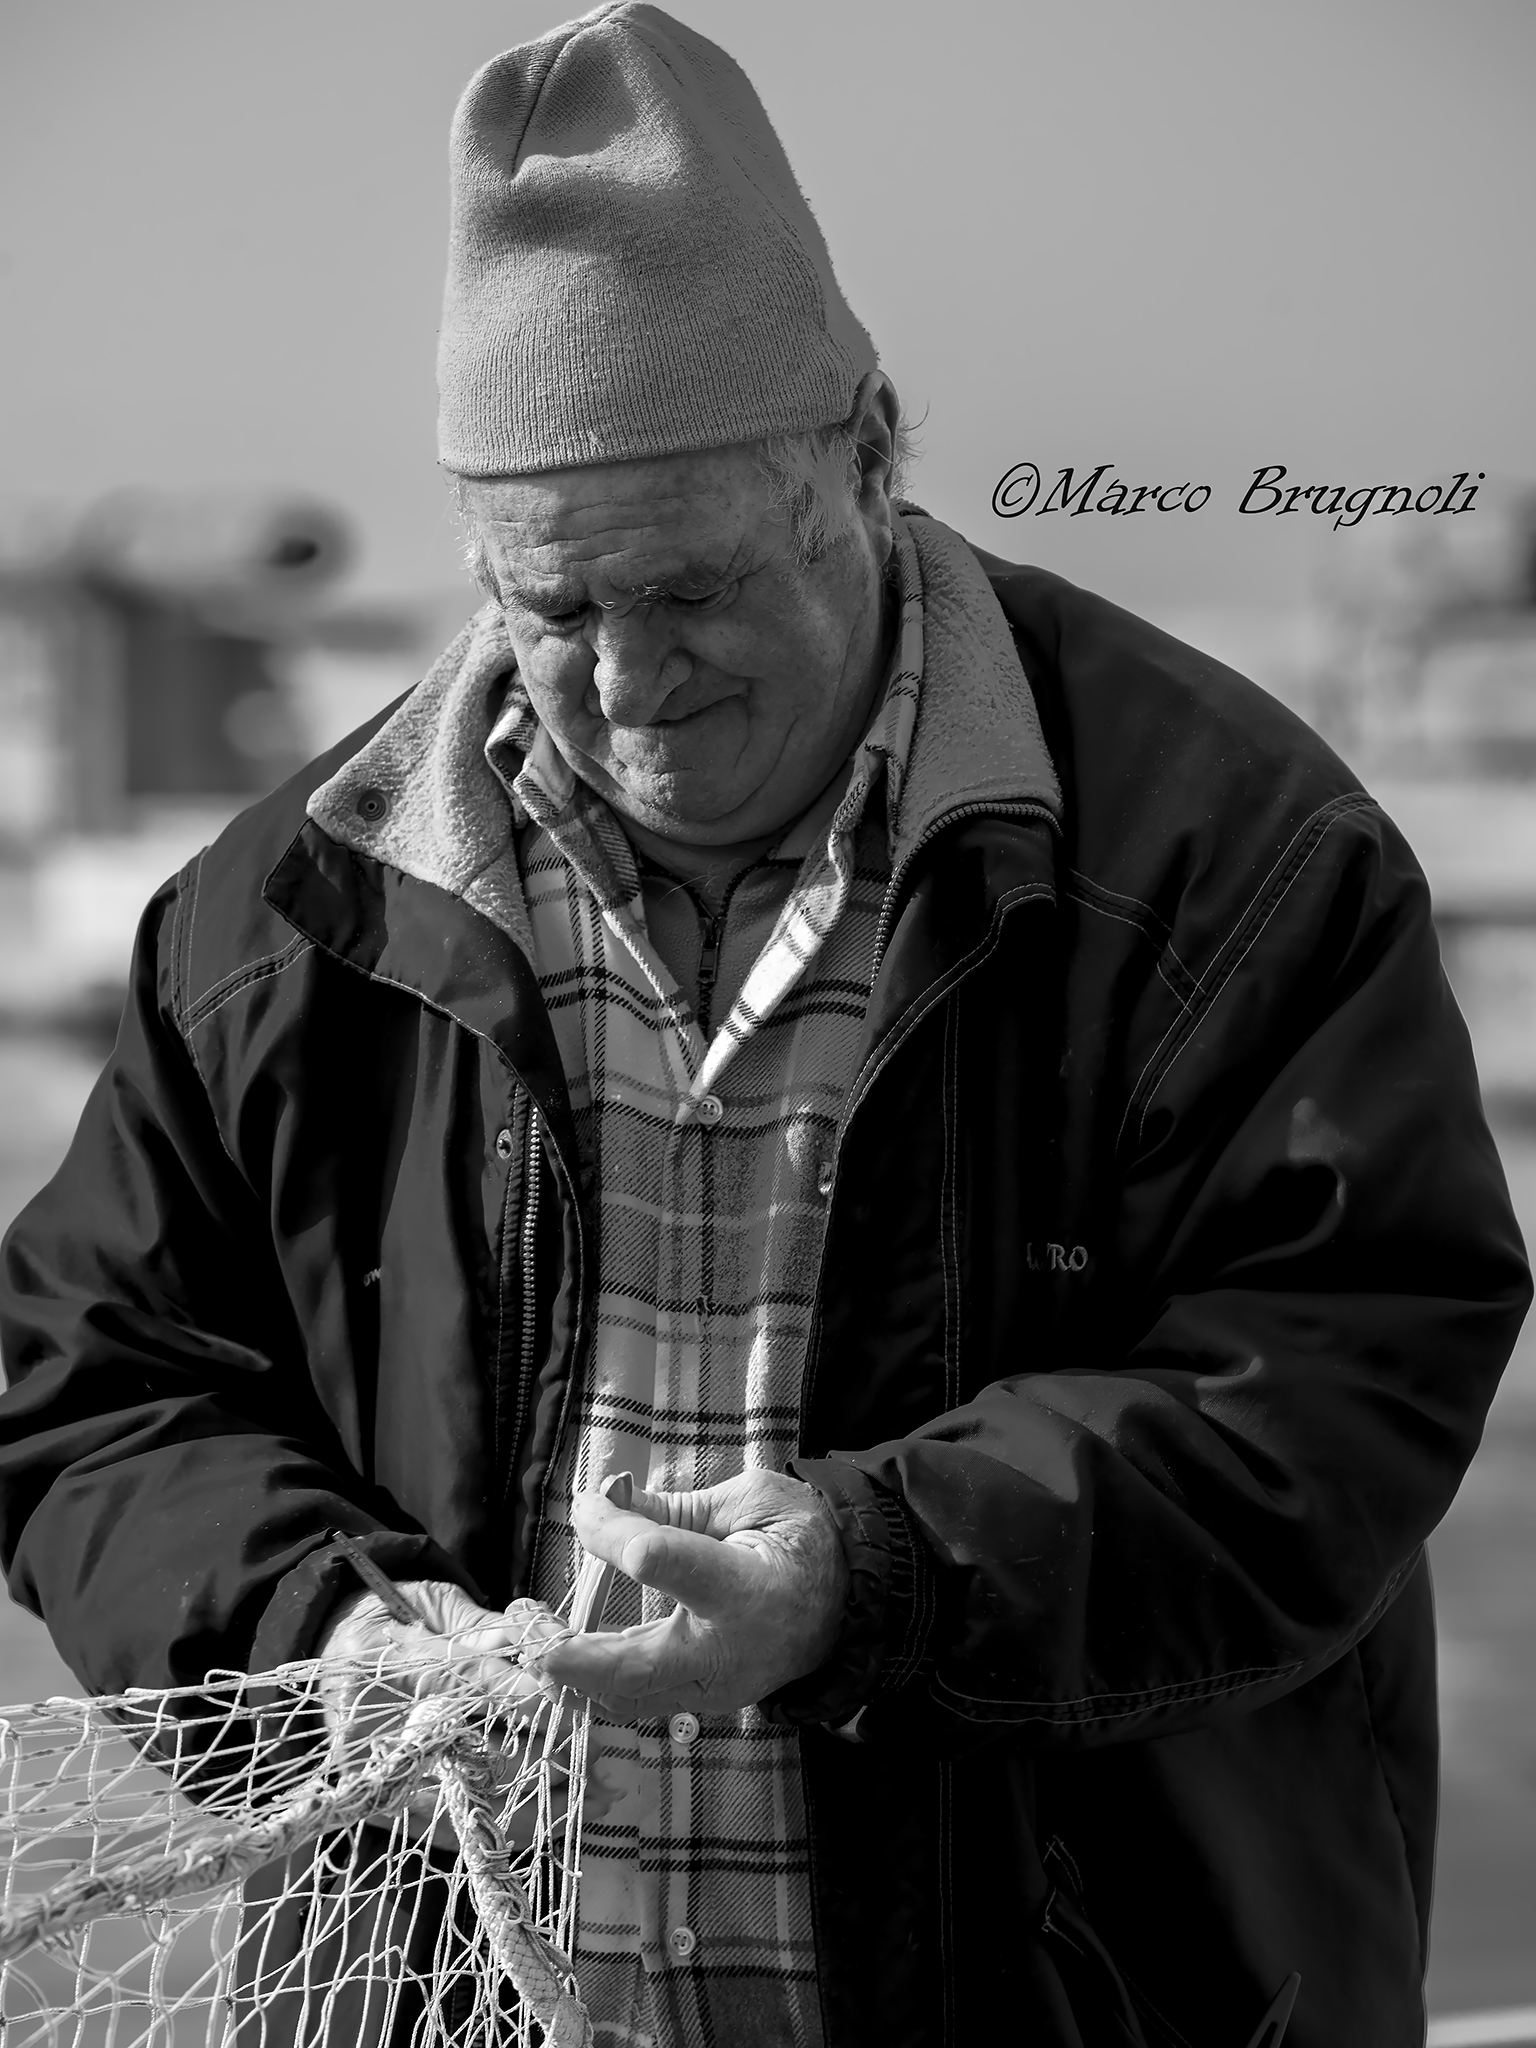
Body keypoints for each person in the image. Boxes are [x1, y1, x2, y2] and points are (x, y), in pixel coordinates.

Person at [0, 7, 1527, 2046]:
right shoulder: (278, 923)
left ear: (866, 464)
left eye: (695, 587)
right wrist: (321, 1622)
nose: (628, 685)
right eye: (555, 608)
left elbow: (1348, 1363)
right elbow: (89, 1382)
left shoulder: (1227, 859)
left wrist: (872, 1568)